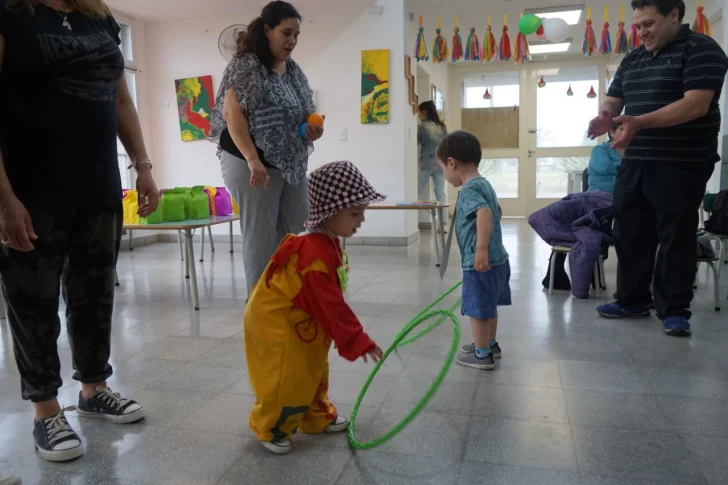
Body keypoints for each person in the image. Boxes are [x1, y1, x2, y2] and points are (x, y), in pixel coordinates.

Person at [0, 0, 158, 462]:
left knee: (94, 293)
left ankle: (94, 389)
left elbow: (120, 98)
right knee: (34, 302)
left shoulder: (98, 17)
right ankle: (46, 410)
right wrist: (4, 199)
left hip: (99, 186)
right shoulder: (11, 13)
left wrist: (142, 165)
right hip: (30, 191)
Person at [588, 0, 728, 337]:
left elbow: (695, 105)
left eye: (649, 23)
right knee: (630, 232)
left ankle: (674, 309)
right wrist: (606, 114)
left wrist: (638, 123)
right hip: (635, 161)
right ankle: (633, 299)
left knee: (675, 236)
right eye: (638, 25)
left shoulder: (702, 49)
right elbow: (614, 97)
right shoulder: (634, 57)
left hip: (681, 163)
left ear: (674, 16)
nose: (642, 32)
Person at [244, 160, 384, 454]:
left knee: (314, 368)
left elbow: (327, 301)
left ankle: (314, 416)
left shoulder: (328, 241)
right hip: (278, 324)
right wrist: (358, 339)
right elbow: (331, 305)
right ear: (329, 212)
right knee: (286, 376)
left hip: (303, 319)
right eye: (355, 213)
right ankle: (270, 426)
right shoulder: (313, 254)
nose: (360, 220)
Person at [209, 1, 323, 297]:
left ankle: (290, 299)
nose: (292, 41)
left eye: (296, 35)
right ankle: (260, 309)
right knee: (261, 237)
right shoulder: (245, 65)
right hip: (248, 160)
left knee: (296, 232)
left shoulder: (293, 70)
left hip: (288, 163)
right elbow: (233, 115)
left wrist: (310, 130)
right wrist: (251, 158)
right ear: (267, 30)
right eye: (286, 33)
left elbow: (300, 115)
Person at [436, 131, 510, 370]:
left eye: (442, 169)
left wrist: (480, 249)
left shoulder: (468, 190)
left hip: (480, 262)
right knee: (489, 305)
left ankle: (481, 355)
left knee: (478, 308)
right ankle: (489, 344)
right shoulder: (484, 183)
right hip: (499, 259)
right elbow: (497, 212)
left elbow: (486, 214)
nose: (444, 174)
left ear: (451, 163)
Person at [417, 100, 448, 226]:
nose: (418, 114)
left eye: (419, 111)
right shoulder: (442, 127)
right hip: (440, 163)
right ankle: (443, 223)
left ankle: (414, 222)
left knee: (418, 190)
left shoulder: (421, 127)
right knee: (440, 193)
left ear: (424, 111)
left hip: (426, 162)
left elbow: (415, 142)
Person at [587, 122, 624, 194]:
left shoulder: (633, 152)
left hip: (626, 196)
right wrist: (631, 166)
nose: (627, 132)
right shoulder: (599, 150)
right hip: (600, 196)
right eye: (622, 129)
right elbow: (605, 167)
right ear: (612, 132)